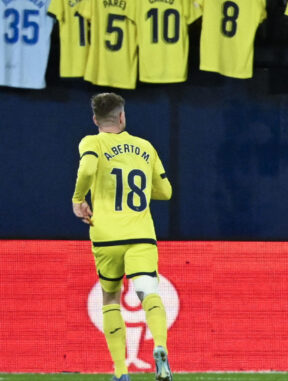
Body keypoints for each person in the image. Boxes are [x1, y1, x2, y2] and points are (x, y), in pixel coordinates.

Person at [72, 93, 173, 381]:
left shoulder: (92, 142)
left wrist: (78, 198)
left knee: (111, 298)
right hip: (140, 234)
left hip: (105, 235)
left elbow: (88, 168)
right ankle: (161, 347)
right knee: (147, 291)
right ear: (122, 116)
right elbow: (166, 192)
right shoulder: (145, 147)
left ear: (95, 120)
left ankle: (120, 372)